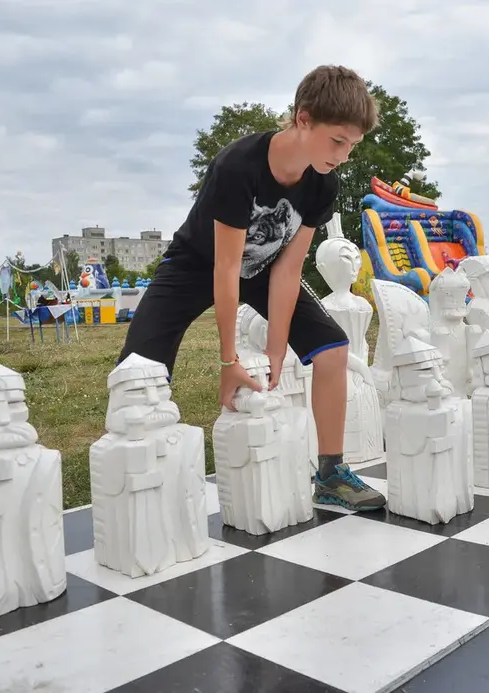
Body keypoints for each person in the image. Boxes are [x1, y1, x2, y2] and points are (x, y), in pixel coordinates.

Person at [116, 65, 385, 511]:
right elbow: (224, 268)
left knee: (333, 349)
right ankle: (135, 465)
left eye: (352, 146)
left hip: (265, 269)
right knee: (139, 364)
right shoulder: (239, 164)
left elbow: (288, 269)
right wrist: (229, 360)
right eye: (338, 141)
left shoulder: (324, 183)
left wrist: (278, 349)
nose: (344, 155)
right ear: (303, 119)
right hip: (198, 264)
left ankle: (332, 473)